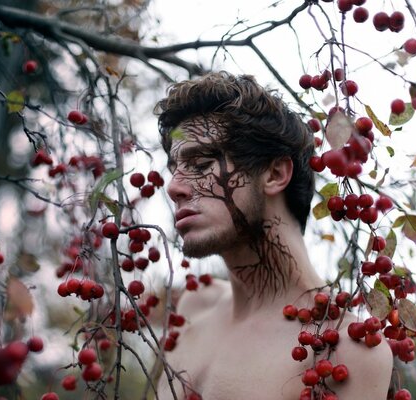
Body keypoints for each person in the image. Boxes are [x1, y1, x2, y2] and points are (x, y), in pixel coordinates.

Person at [154, 71, 392, 400]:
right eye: (174, 168)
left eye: (201, 163)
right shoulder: (194, 307)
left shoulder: (344, 351)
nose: (174, 187)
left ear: (275, 174)